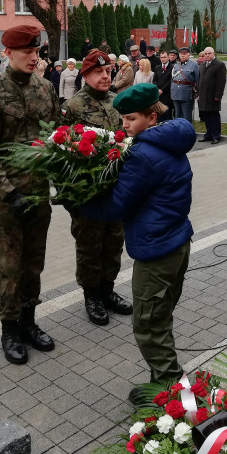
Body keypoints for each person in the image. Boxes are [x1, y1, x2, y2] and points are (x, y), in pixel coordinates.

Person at [81, 84, 195, 396]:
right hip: (176, 243)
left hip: (156, 251)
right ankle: (164, 379)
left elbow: (118, 206)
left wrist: (79, 201)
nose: (124, 125)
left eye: (130, 119)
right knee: (160, 315)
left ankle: (172, 393)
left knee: (148, 325)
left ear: (151, 117)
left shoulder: (143, 154)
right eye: (122, 119)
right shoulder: (173, 140)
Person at [0, 24, 60, 364]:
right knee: (8, 268)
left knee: (33, 264)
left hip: (37, 196)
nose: (35, 58)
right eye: (28, 53)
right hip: (5, 203)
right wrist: (10, 193)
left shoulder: (47, 88)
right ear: (8, 52)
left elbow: (55, 136)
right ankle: (9, 330)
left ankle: (29, 323)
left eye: (38, 52)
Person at [62, 49, 133, 325]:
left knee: (114, 242)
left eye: (108, 71)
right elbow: (62, 151)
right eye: (99, 72)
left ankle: (108, 290)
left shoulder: (119, 100)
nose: (105, 76)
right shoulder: (74, 107)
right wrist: (72, 197)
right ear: (86, 74)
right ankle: (91, 295)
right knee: (89, 245)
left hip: (115, 190)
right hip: (87, 193)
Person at [197, 46, 227, 144]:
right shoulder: (202, 65)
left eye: (209, 53)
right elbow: (200, 80)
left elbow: (221, 82)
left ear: (213, 54)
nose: (207, 55)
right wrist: (198, 93)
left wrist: (218, 95)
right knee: (206, 116)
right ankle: (208, 134)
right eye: (205, 54)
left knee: (213, 116)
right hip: (203, 95)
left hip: (213, 96)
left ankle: (215, 136)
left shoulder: (219, 65)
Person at [171, 47, 199, 122]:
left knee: (186, 116)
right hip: (176, 93)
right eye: (181, 54)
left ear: (188, 54)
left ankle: (187, 132)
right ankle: (179, 132)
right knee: (177, 115)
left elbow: (197, 80)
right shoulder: (176, 65)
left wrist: (198, 93)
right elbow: (172, 80)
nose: (183, 55)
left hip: (186, 93)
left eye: (185, 54)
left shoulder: (193, 65)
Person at [153, 50, 174, 121]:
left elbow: (170, 81)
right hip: (159, 95)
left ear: (168, 58)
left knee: (167, 115)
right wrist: (157, 89)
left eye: (164, 57)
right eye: (161, 57)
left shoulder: (172, 67)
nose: (163, 59)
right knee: (160, 115)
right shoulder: (157, 67)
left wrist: (162, 90)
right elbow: (155, 79)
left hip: (167, 95)